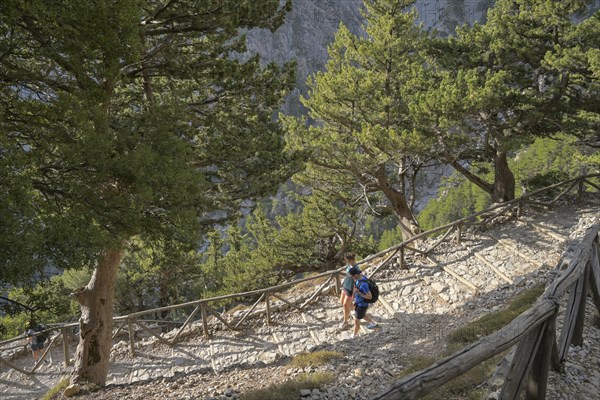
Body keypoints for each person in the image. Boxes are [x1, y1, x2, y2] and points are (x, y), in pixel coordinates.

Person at [348, 266, 378, 338]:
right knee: (362, 315)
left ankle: (354, 335)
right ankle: (373, 323)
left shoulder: (364, 284)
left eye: (352, 276)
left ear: (356, 274)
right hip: (360, 303)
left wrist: (358, 293)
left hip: (362, 305)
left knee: (356, 322)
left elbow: (369, 296)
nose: (352, 278)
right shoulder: (360, 277)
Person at [339, 252, 359, 330]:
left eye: (346, 260)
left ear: (351, 260)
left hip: (350, 288)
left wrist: (354, 293)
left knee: (345, 305)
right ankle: (354, 311)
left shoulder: (356, 269)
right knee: (342, 302)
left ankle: (345, 322)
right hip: (345, 285)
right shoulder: (349, 265)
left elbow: (356, 282)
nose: (345, 262)